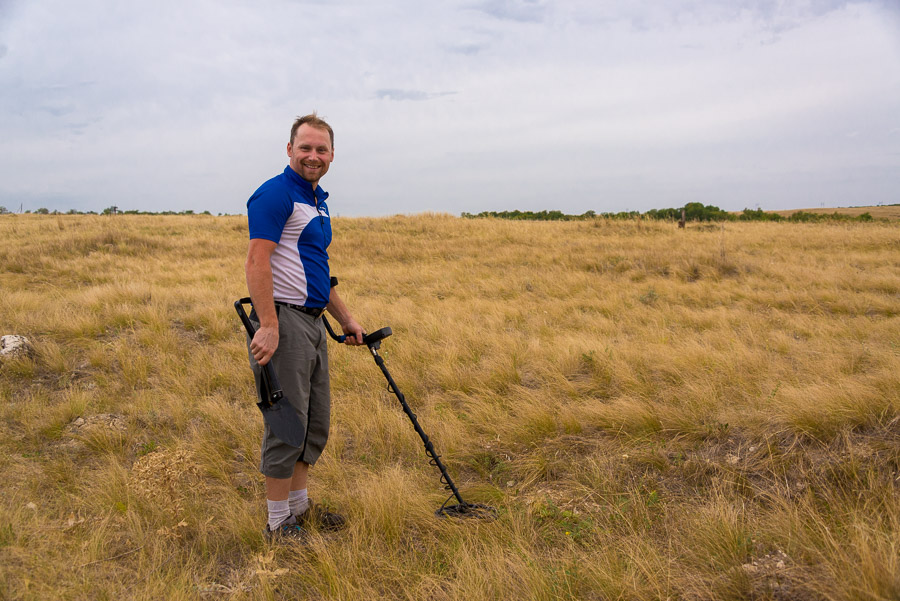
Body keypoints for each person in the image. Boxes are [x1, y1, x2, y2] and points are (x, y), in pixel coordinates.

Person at [244, 113, 364, 540]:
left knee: (313, 421)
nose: (314, 156)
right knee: (287, 422)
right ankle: (278, 524)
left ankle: (299, 509)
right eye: (306, 148)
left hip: (312, 323)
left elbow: (318, 269)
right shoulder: (275, 195)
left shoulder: (317, 200)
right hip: (285, 321)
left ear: (332, 154)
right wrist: (270, 325)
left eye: (322, 149)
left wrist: (346, 318)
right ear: (290, 149)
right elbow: (257, 261)